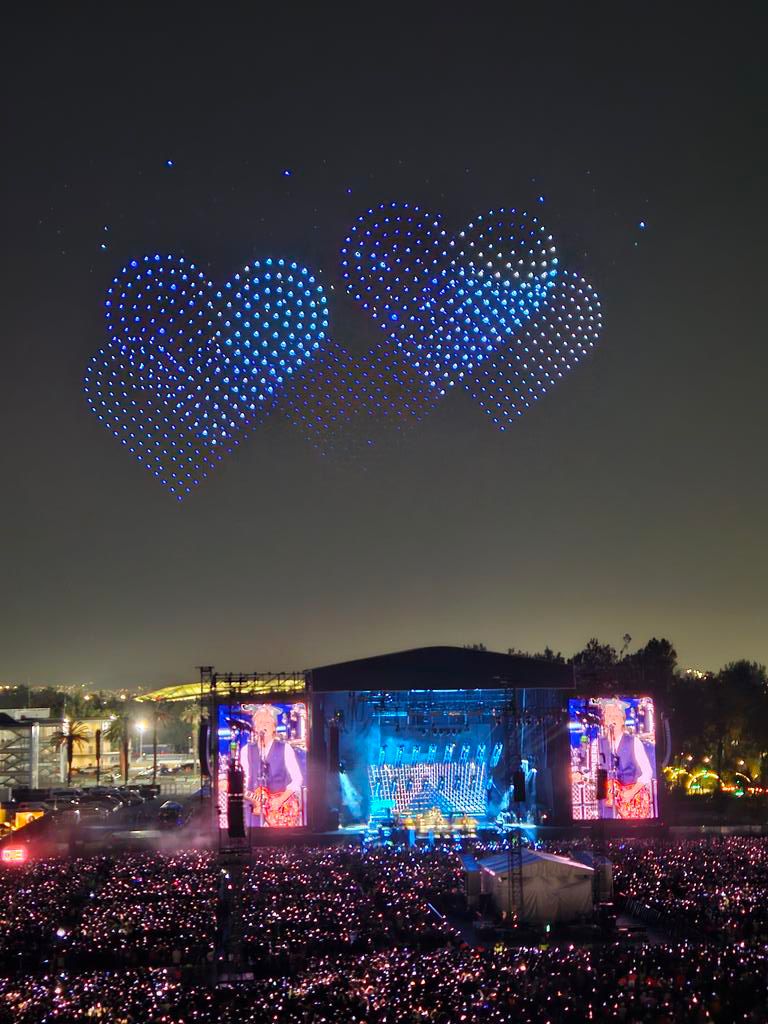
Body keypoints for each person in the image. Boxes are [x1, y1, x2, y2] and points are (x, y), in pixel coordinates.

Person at [239, 705, 304, 827]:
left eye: (268, 722)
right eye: (260, 722)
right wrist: (254, 800)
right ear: (255, 727)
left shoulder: (285, 748)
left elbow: (297, 778)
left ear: (274, 727)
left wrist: (280, 800)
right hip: (255, 809)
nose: (264, 725)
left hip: (281, 807)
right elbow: (244, 781)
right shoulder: (246, 750)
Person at [597, 700, 654, 819]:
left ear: (623, 720)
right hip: (608, 801)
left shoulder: (634, 742)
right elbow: (597, 774)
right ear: (604, 721)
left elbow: (647, 772)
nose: (613, 719)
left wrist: (632, 792)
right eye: (609, 716)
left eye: (616, 716)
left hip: (632, 799)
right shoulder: (597, 744)